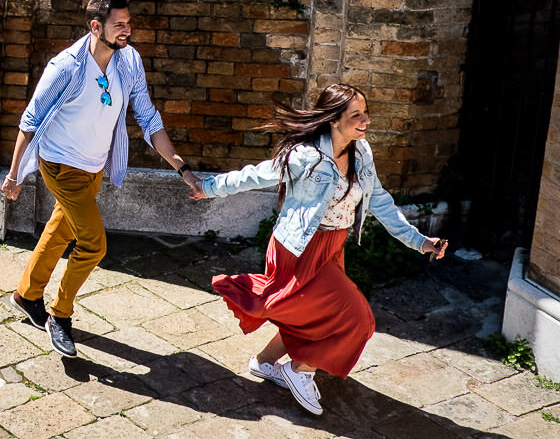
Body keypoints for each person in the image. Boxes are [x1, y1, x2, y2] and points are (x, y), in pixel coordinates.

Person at [180, 83, 448, 417]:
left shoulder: (361, 152)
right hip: (299, 248)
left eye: (366, 113)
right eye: (356, 115)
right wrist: (207, 188)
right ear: (334, 120)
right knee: (359, 319)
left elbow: (379, 200)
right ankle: (300, 369)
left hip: (332, 248)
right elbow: (255, 176)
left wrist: (419, 241)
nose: (365, 120)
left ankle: (264, 363)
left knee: (313, 314)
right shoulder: (305, 156)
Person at [1, 0, 191, 357]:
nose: (127, 31)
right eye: (119, 25)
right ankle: (60, 315)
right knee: (93, 243)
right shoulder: (67, 67)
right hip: (60, 164)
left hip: (95, 166)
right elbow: (30, 120)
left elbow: (148, 117)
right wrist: (15, 175)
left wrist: (181, 167)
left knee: (61, 231)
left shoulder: (129, 61)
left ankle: (26, 295)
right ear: (95, 26)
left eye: (128, 24)